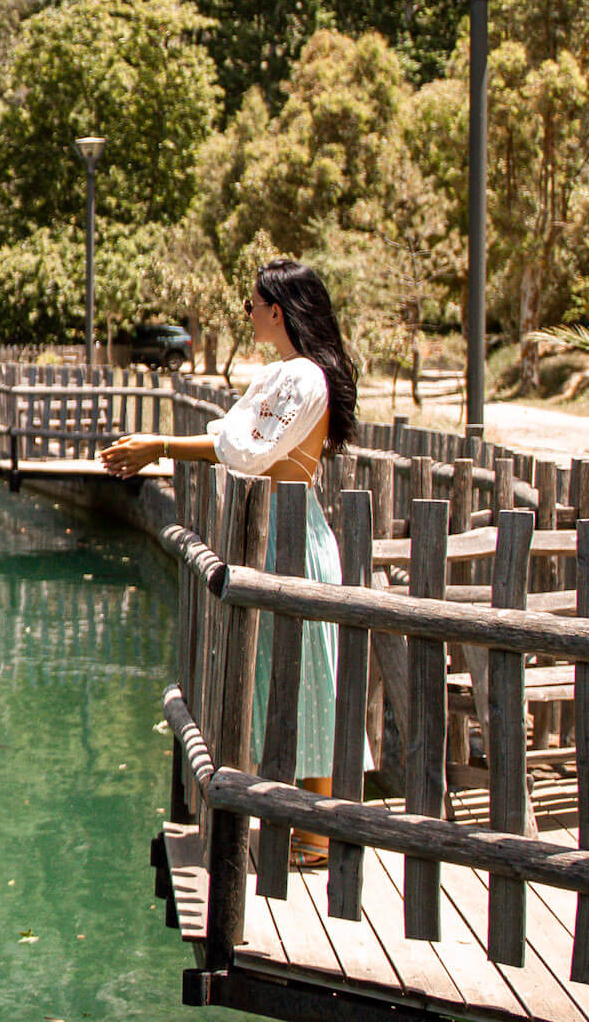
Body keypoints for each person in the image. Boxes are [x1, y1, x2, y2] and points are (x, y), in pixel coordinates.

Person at [99, 258, 359, 867]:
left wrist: (160, 445)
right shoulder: (289, 375)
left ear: (278, 309)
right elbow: (237, 440)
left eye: (252, 305)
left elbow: (245, 450)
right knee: (276, 673)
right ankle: (296, 822)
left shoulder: (304, 377)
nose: (247, 315)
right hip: (273, 532)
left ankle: (317, 834)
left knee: (307, 675)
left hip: (290, 533)